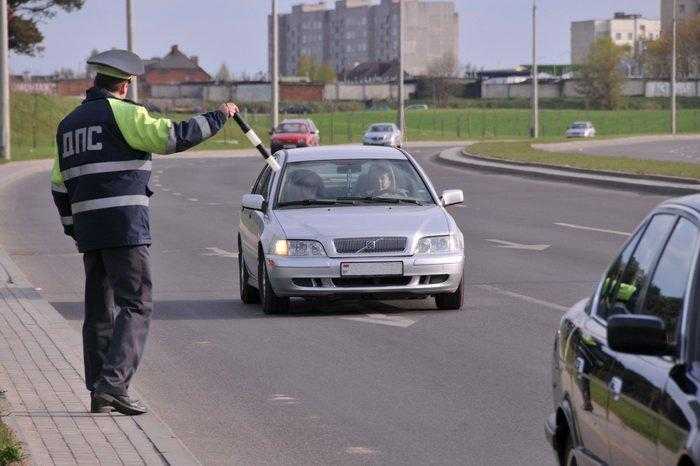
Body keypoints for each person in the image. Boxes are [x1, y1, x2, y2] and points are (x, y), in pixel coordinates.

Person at [50, 49, 239, 415]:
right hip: (125, 227)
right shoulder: (126, 114)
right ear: (124, 83)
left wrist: (75, 229)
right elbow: (173, 137)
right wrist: (220, 116)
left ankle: (98, 388)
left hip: (90, 232)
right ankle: (114, 385)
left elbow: (59, 187)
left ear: (96, 81)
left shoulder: (68, 125)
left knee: (99, 309)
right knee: (137, 303)